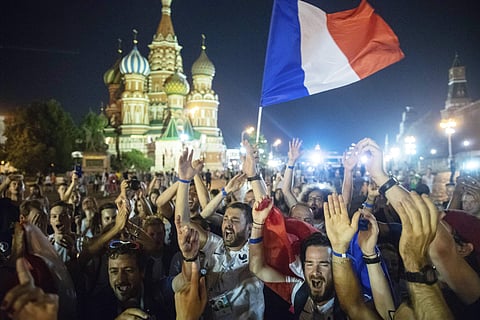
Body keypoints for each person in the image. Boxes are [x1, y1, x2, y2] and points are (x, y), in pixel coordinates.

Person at [173, 148, 264, 319]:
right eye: (225, 219)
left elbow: (268, 213)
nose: (228, 224)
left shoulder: (257, 253)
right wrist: (184, 182)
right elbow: (184, 224)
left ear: (250, 228)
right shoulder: (215, 245)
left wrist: (254, 176)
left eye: (235, 221)